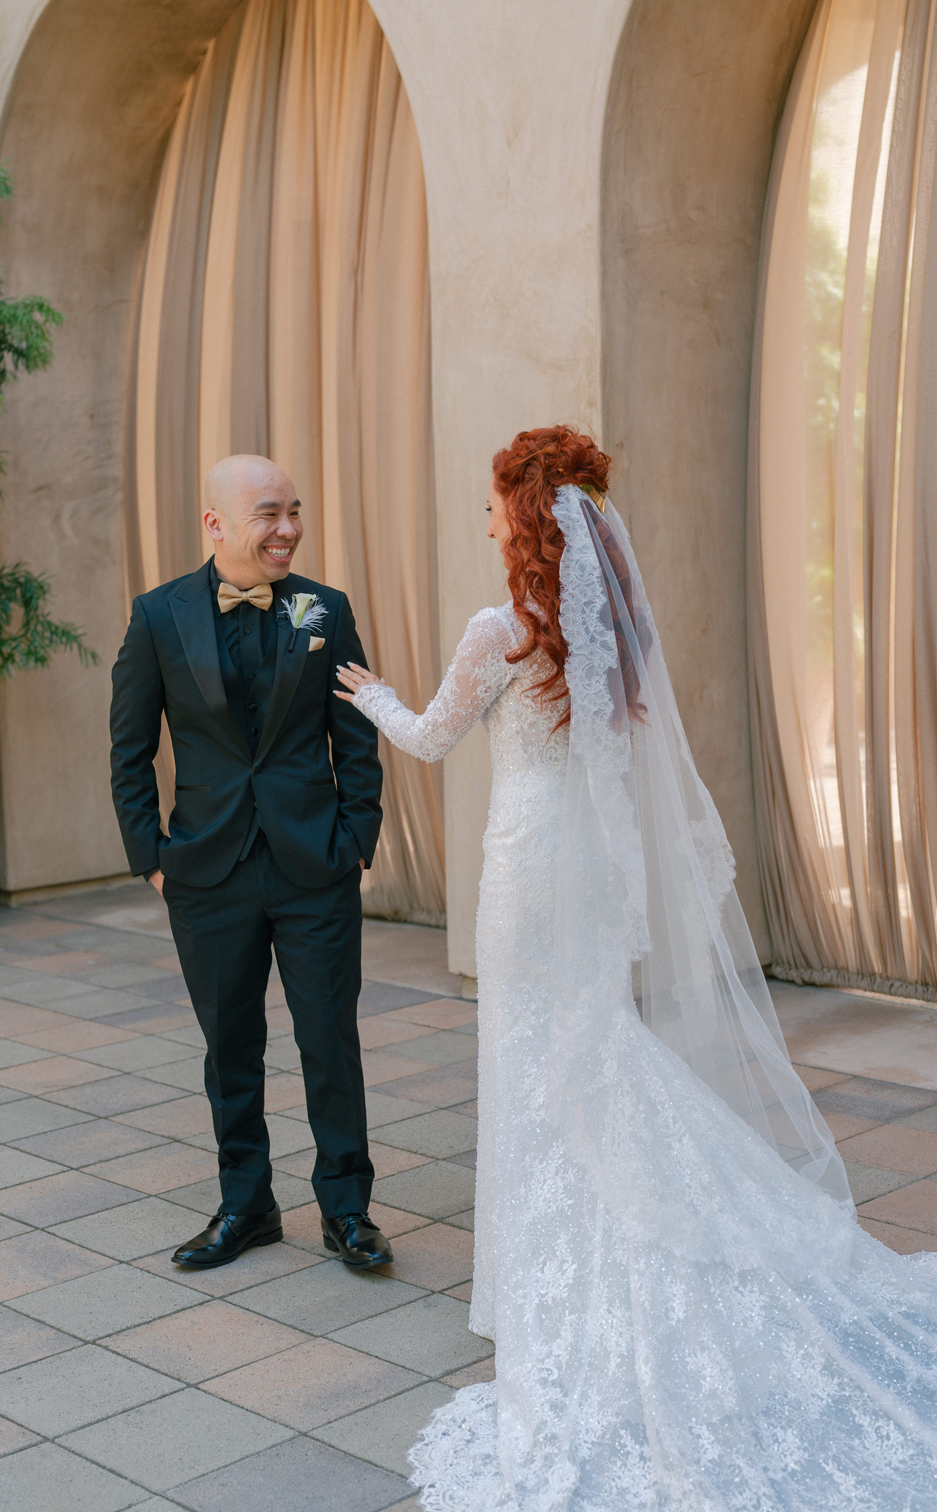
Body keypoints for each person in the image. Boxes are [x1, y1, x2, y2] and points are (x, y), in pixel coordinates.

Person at [337, 425, 937, 1510]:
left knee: (530, 1063)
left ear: (523, 513)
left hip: (527, 874)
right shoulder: (613, 622)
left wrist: (371, 694)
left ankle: (543, 1281)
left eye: (492, 503)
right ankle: (588, 1244)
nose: (484, 519)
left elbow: (430, 739)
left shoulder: (500, 628)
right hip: (590, 873)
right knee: (592, 1050)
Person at [111, 454, 393, 1271]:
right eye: (269, 513)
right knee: (229, 1045)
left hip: (316, 868)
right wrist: (154, 861)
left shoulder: (323, 610)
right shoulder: (158, 617)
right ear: (215, 524)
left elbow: (358, 738)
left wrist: (355, 843)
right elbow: (130, 750)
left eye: (295, 511)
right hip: (207, 873)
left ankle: (347, 1210)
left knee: (328, 1043)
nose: (289, 529)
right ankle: (247, 1206)